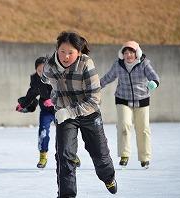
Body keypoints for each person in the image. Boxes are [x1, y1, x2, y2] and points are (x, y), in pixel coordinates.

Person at [42, 31, 117, 197]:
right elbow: (45, 82)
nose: (66, 56)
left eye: (71, 52)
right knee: (65, 157)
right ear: (57, 49)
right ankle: (67, 195)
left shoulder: (85, 64)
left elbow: (94, 99)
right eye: (62, 51)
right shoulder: (50, 65)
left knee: (100, 155)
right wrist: (55, 98)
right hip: (64, 114)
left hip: (89, 113)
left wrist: (69, 111)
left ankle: (108, 177)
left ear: (79, 52)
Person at [100, 41, 160, 169]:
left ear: (136, 53)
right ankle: (124, 155)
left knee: (143, 129)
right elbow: (108, 77)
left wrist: (154, 82)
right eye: (125, 53)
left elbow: (154, 76)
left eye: (131, 52)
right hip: (123, 99)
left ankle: (145, 158)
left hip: (142, 99)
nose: (128, 55)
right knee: (124, 125)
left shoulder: (144, 64)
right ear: (122, 55)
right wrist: (96, 85)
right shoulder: (118, 65)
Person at [16, 57, 81, 168]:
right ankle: (43, 156)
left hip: (60, 110)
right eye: (39, 71)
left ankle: (72, 155)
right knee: (43, 132)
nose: (42, 73)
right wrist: (22, 105)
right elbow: (32, 93)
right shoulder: (36, 79)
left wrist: (53, 101)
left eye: (44, 70)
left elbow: (66, 91)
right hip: (46, 111)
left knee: (65, 134)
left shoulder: (57, 76)